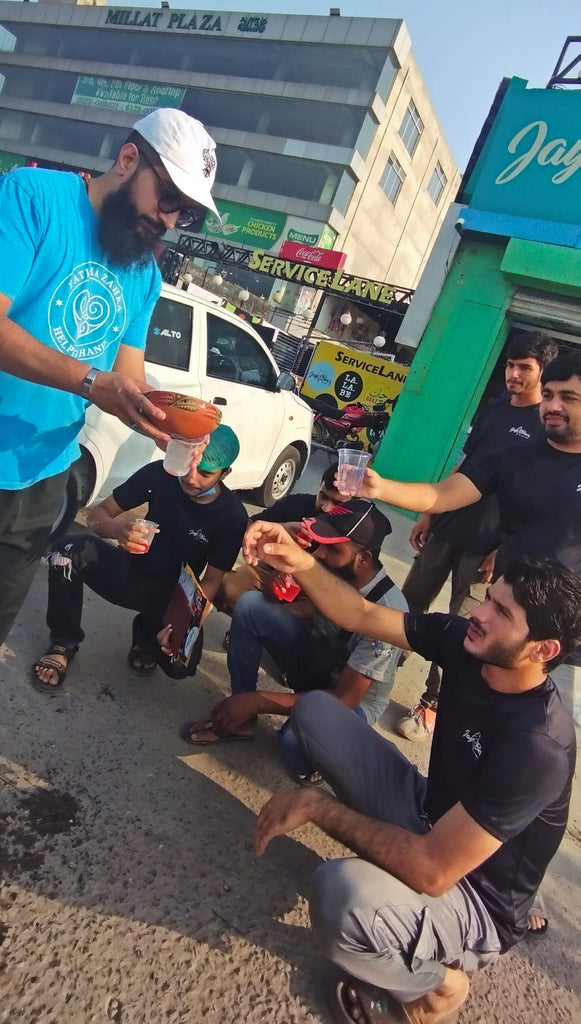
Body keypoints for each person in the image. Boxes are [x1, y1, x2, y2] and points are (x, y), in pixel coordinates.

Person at [244, 522, 579, 1024]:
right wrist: (302, 562)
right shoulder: (467, 643)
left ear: (543, 650)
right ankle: (390, 877)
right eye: (488, 598)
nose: (477, 613)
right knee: (315, 711)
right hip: (426, 812)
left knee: (339, 895)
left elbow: (434, 870)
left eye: (500, 612)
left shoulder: (539, 744)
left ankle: (438, 986)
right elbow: (358, 612)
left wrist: (318, 807)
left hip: (472, 893)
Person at [0, 106, 219, 646]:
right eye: (168, 198)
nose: (169, 220)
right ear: (127, 160)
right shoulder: (35, 197)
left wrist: (171, 420)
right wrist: (92, 383)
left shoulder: (143, 274)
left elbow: (129, 377)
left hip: (41, 476)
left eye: (184, 212)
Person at [398, 331, 558, 741]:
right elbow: (465, 463)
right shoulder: (493, 409)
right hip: (450, 527)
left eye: (525, 368)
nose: (514, 374)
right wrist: (429, 512)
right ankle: (377, 661)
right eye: (510, 365)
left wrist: (502, 551)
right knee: (411, 598)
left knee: (463, 626)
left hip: (487, 546)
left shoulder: (545, 426)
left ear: (543, 373)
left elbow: (535, 500)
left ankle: (431, 704)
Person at [180, 499, 407, 786]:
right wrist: (278, 590)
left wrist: (255, 701)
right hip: (316, 658)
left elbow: (344, 698)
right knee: (251, 605)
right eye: (321, 543)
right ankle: (242, 723)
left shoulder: (389, 611)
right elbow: (296, 610)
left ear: (363, 559)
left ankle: (320, 764)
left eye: (333, 548)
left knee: (292, 745)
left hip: (351, 699)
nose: (320, 554)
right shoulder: (333, 570)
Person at [33, 424, 247, 693]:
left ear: (225, 474)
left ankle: (147, 635)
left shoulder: (232, 516)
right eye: (187, 465)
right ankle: (63, 642)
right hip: (129, 570)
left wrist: (184, 624)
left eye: (205, 473)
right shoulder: (161, 474)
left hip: (171, 595)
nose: (191, 477)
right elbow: (97, 515)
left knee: (180, 666)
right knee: (65, 551)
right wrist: (118, 531)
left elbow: (212, 581)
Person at [215, 460, 341, 616]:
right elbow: (248, 526)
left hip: (317, 588)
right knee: (227, 587)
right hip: (271, 570)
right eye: (323, 496)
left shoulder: (353, 532)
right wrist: (280, 529)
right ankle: (242, 623)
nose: (326, 507)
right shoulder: (297, 504)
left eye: (337, 503)